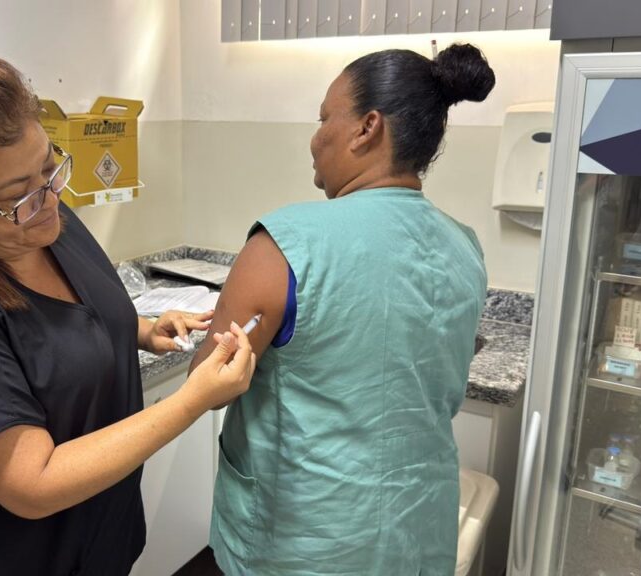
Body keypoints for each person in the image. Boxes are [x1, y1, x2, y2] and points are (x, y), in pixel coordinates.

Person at [0, 56, 255, 575]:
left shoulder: (48, 220)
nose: (50, 199)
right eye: (17, 196)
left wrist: (140, 330)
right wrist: (193, 401)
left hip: (95, 540)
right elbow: (34, 481)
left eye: (51, 168)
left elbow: (63, 322)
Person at [190, 44, 496, 575]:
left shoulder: (285, 243)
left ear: (366, 128)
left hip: (302, 543)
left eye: (324, 118)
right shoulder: (463, 244)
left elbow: (207, 382)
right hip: (417, 529)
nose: (315, 139)